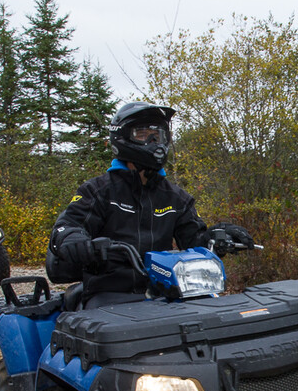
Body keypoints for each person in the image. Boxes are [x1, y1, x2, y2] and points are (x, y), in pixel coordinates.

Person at [46, 101, 253, 308]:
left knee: (212, 320)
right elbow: (68, 225)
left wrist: (217, 237)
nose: (153, 142)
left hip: (165, 288)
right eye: (143, 134)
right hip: (110, 290)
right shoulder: (98, 191)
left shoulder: (175, 197)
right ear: (123, 136)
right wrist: (74, 239)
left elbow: (194, 241)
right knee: (110, 334)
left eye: (158, 135)